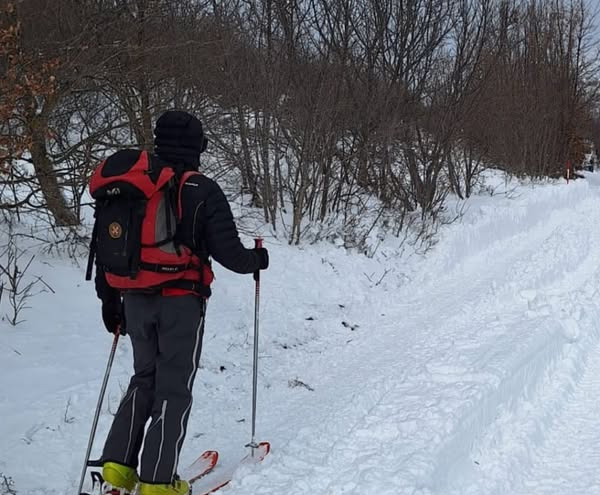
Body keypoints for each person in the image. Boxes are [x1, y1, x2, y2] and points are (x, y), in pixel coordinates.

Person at [93, 110, 269, 495]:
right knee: (174, 387)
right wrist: (259, 260)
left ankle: (118, 468)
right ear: (198, 146)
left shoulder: (132, 187)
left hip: (134, 299)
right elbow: (232, 256)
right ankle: (157, 481)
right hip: (180, 301)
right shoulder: (201, 189)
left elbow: (105, 249)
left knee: (143, 379)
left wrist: (110, 302)